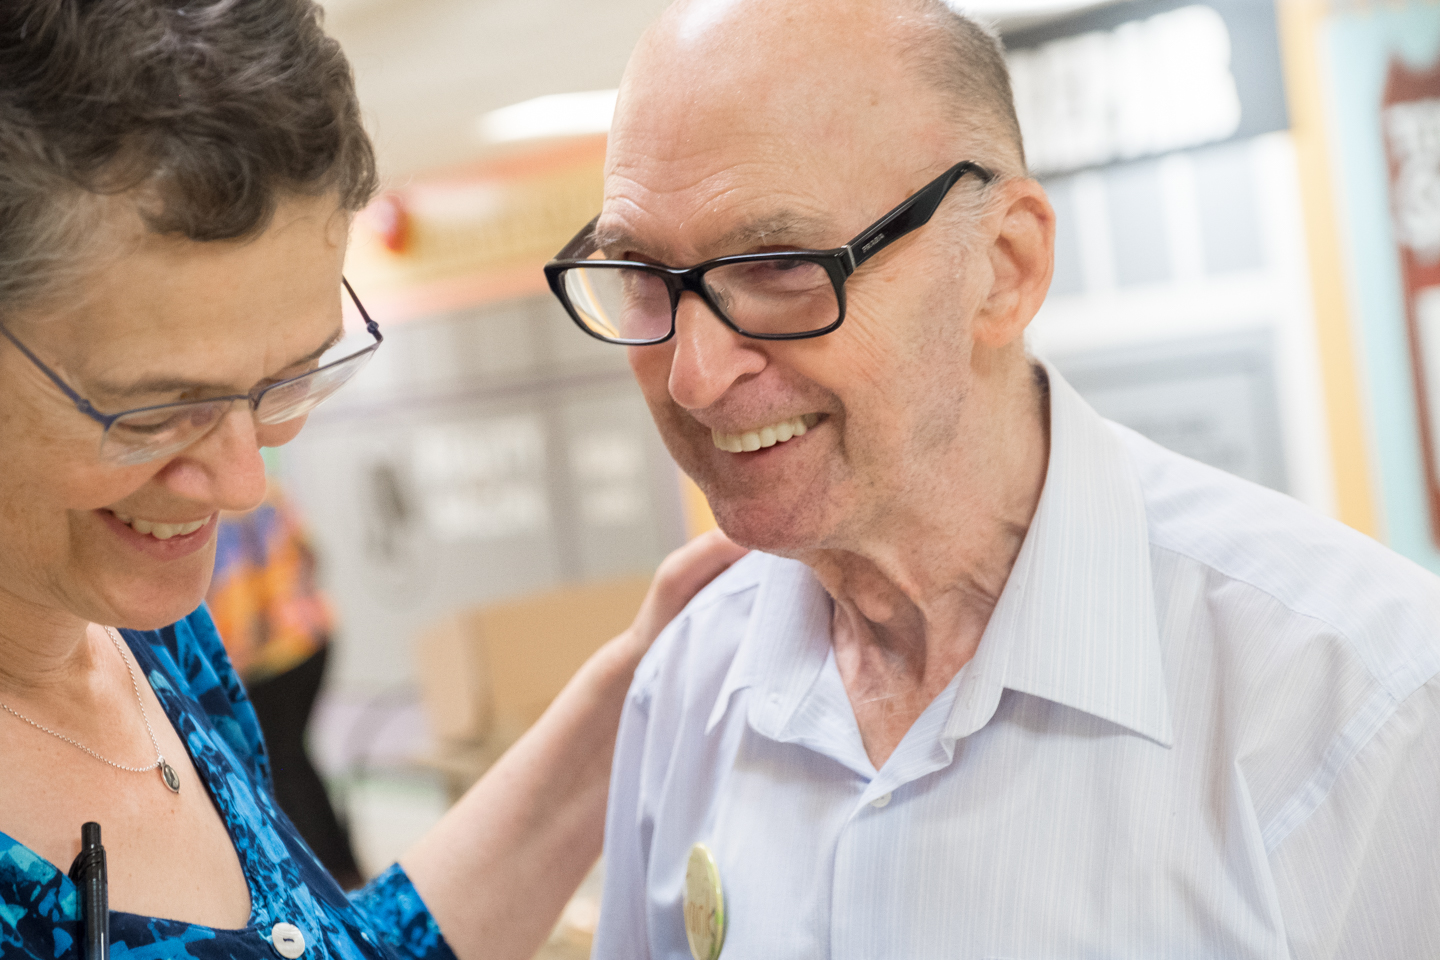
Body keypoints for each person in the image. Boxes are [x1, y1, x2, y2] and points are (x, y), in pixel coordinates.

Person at [541, 0, 1440, 957]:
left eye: (778, 267)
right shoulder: (687, 683)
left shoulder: (1362, 697)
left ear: (1005, 266)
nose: (694, 375)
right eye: (639, 272)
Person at [0, 3, 746, 960]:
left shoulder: (146, 629)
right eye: (153, 411)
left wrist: (638, 689)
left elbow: (335, 945)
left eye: (285, 380)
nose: (241, 484)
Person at [207, 486, 363, 889]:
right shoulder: (268, 494)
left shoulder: (210, 515)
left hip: (271, 656)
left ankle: (329, 877)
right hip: (312, 634)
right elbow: (313, 556)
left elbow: (233, 604)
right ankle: (342, 867)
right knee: (295, 756)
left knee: (284, 763)